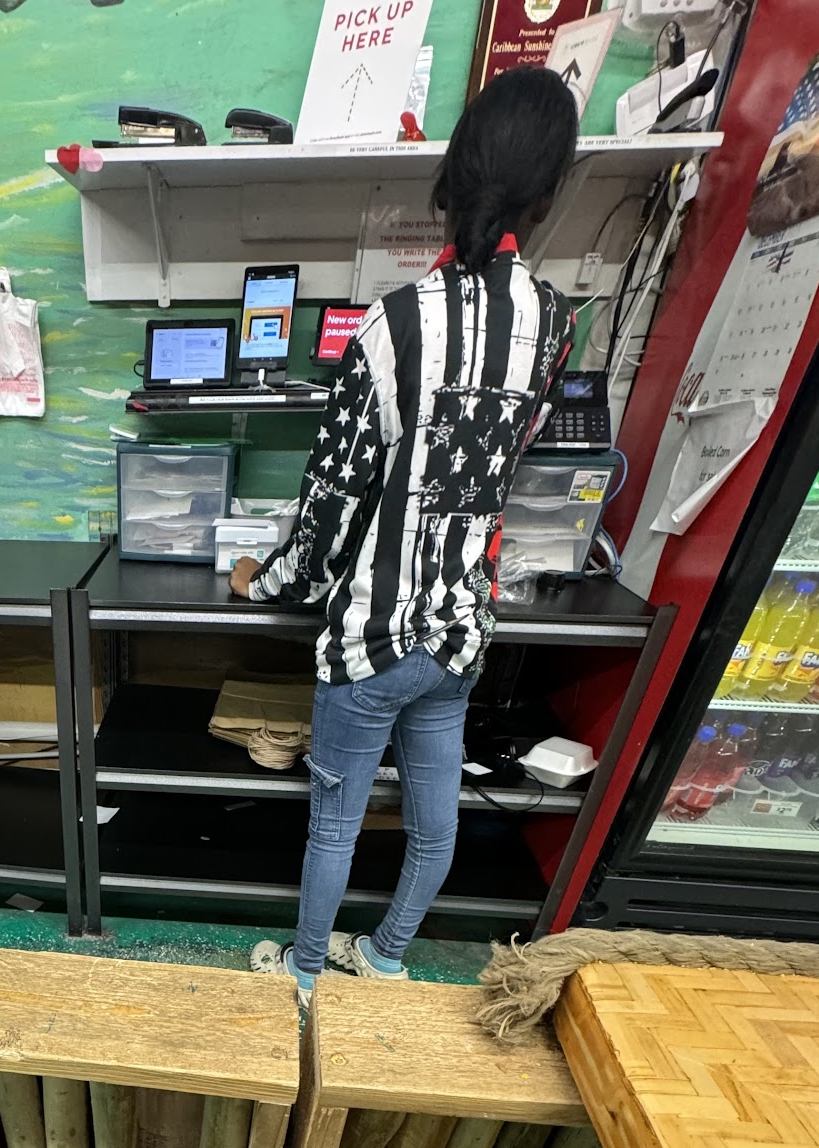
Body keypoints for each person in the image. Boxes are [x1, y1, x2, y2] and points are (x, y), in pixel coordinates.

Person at [235, 68, 580, 1001]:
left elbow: (330, 510)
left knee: (335, 825)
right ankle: (386, 956)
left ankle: (306, 973)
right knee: (434, 823)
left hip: (374, 638)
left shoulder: (391, 326)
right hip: (460, 633)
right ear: (549, 194)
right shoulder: (557, 324)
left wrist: (264, 580)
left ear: (448, 180)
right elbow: (506, 462)